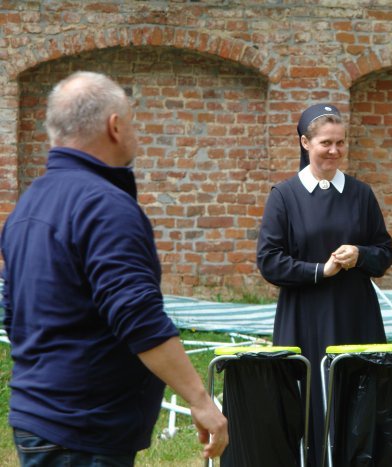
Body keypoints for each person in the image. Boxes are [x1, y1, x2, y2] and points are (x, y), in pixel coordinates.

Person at [1, 71, 228, 466]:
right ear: (115, 126)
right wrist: (200, 399)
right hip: (82, 432)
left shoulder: (28, 205)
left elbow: (12, 314)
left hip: (38, 418)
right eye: (133, 122)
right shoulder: (104, 207)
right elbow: (136, 314)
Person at [257, 103, 392, 466]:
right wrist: (320, 271)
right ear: (305, 142)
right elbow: (269, 261)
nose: (334, 151)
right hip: (304, 317)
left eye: (340, 143)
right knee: (307, 405)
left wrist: (361, 254)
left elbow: (385, 252)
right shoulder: (284, 196)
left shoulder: (361, 194)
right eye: (325, 143)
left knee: (356, 402)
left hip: (355, 315)